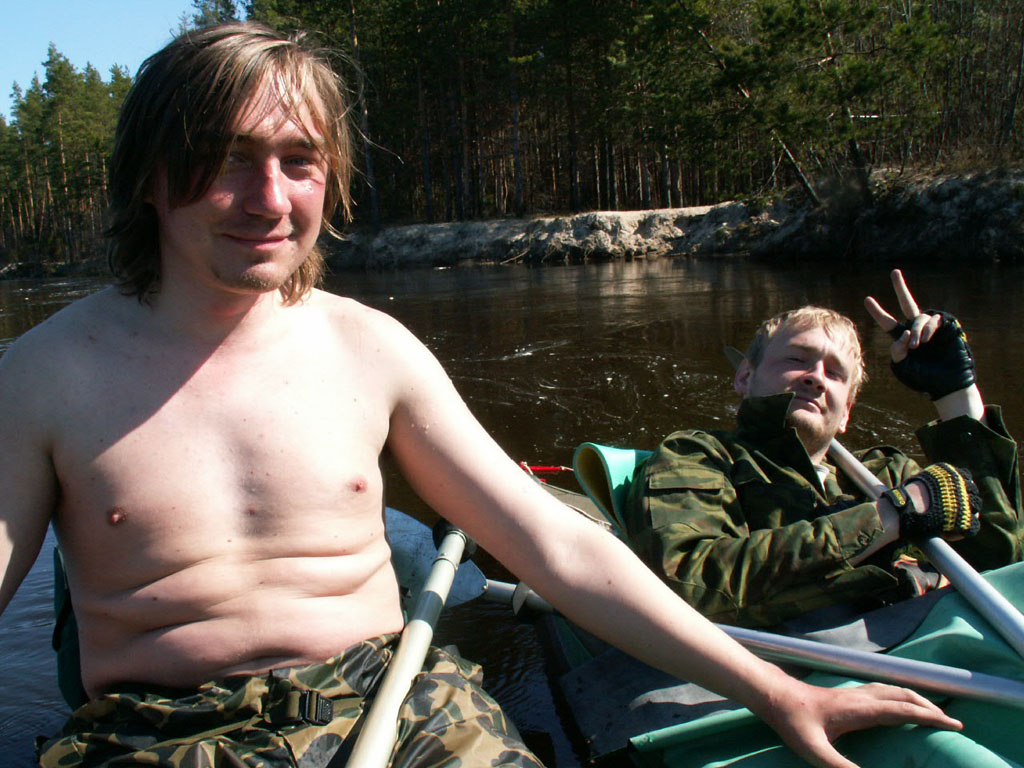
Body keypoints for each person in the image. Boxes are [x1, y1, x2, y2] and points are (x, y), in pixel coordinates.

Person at [0, 22, 961, 768]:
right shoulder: (44, 375)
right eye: (227, 159)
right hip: (161, 733)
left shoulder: (369, 347)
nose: (270, 198)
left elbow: (555, 544)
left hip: (392, 703)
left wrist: (776, 692)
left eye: (299, 161)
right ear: (152, 175)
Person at [624, 271, 1022, 629]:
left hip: (928, 652)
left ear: (846, 412)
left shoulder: (887, 474)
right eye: (797, 359)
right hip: (803, 665)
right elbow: (689, 584)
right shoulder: (699, 454)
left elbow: (999, 562)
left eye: (834, 373)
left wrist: (956, 397)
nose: (816, 378)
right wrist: (888, 517)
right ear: (744, 376)